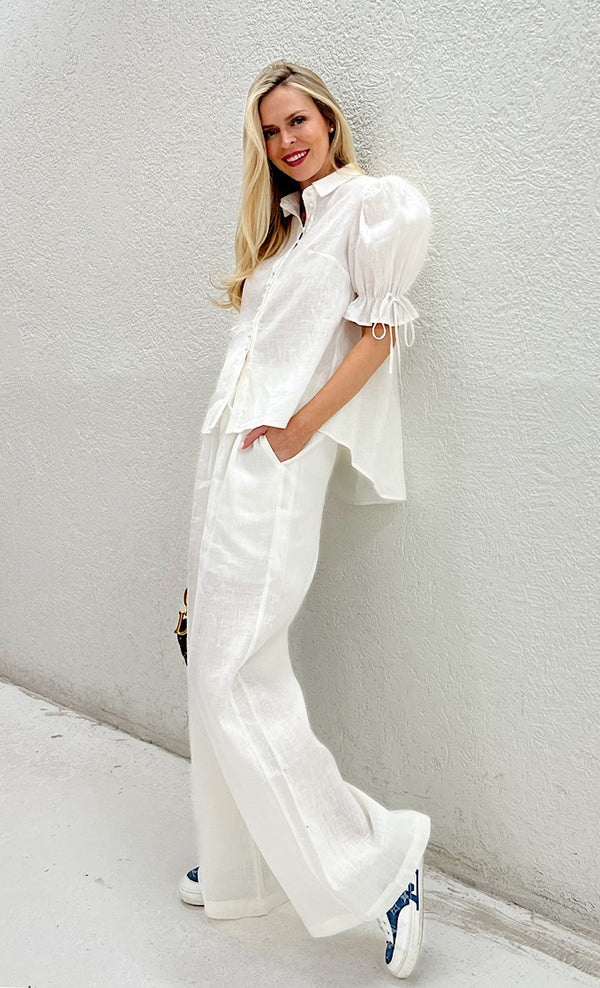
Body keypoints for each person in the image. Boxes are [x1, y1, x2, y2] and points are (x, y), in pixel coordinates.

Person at [181, 60, 432, 980]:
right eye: (271, 131)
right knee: (210, 656)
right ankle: (242, 866)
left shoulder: (372, 207)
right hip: (227, 456)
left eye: (297, 122)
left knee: (233, 667)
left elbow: (377, 337)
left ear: (328, 120)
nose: (286, 141)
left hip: (277, 462)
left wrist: (297, 432)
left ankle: (378, 860)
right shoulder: (288, 232)